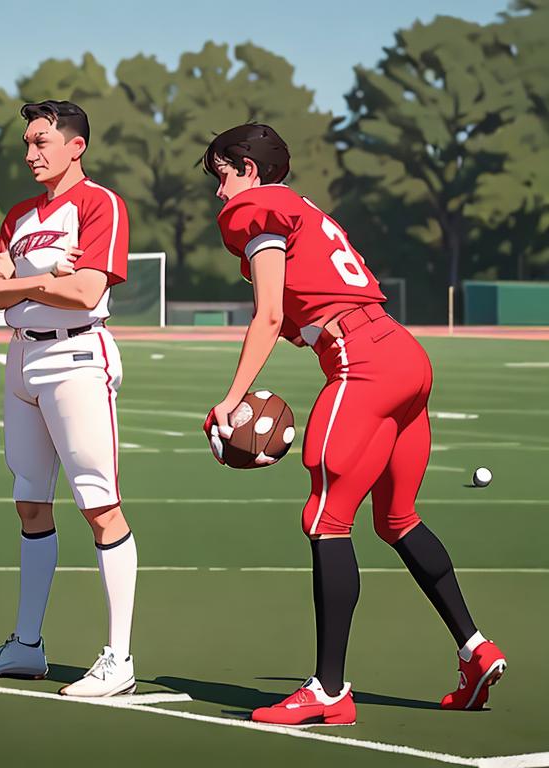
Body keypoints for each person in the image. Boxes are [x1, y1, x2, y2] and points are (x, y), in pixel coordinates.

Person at [203, 123, 506, 725]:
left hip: (362, 363)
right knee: (397, 518)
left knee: (324, 517)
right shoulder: (305, 213)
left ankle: (329, 690)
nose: (219, 193)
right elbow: (299, 313)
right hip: (403, 354)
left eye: (222, 176)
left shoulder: (258, 212)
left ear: (248, 170)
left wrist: (232, 399)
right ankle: (475, 651)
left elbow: (267, 316)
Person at [0, 100, 137, 698]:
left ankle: (119, 657)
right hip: (23, 359)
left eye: (42, 143)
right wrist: (42, 277)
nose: (31, 154)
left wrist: (23, 281)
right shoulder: (19, 214)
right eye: (27, 145)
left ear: (75, 146)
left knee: (99, 505)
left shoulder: (99, 203)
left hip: (78, 357)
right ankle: (26, 645)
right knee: (30, 503)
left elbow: (86, 292)